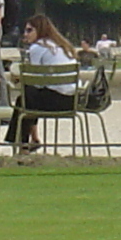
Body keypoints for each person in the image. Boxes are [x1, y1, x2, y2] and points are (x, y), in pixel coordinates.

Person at [9, 12, 78, 151]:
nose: (25, 34)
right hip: (72, 100)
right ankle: (32, 139)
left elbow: (35, 81)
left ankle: (21, 143)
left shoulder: (38, 48)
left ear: (39, 30)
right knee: (28, 97)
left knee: (24, 98)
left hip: (55, 101)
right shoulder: (62, 46)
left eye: (29, 30)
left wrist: (18, 79)